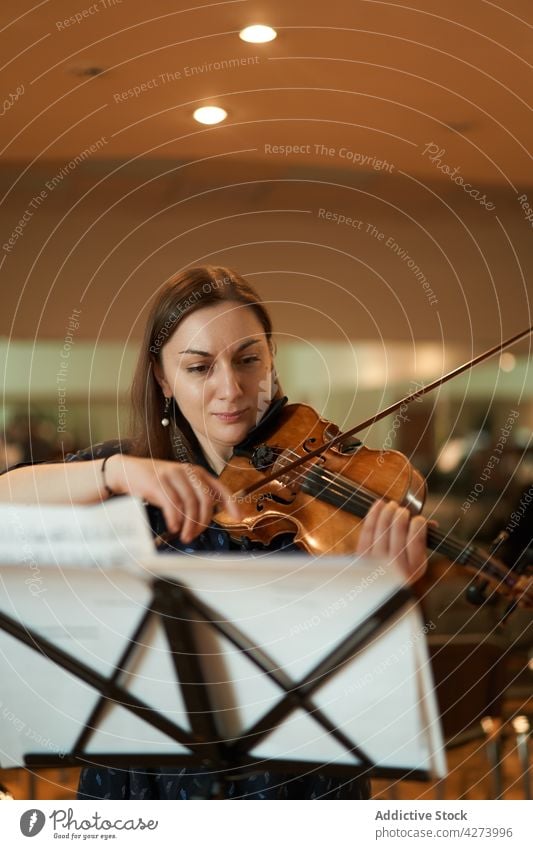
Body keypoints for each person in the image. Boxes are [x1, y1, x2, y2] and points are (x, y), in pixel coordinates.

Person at [0, 265, 428, 800]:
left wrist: (387, 600)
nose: (232, 389)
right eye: (200, 368)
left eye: (249, 360)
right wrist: (113, 470)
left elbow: (374, 699)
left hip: (294, 794)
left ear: (271, 361)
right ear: (162, 378)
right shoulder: (130, 481)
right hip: (145, 790)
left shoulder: (327, 495)